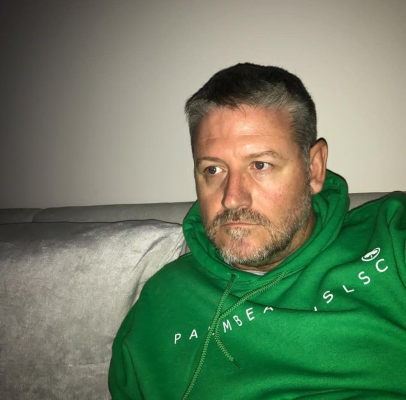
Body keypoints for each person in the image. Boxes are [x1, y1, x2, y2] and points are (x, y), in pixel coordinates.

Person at [109, 63, 406, 399]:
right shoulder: (160, 304)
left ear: (314, 169)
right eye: (213, 169)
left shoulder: (392, 237)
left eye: (260, 165)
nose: (232, 197)